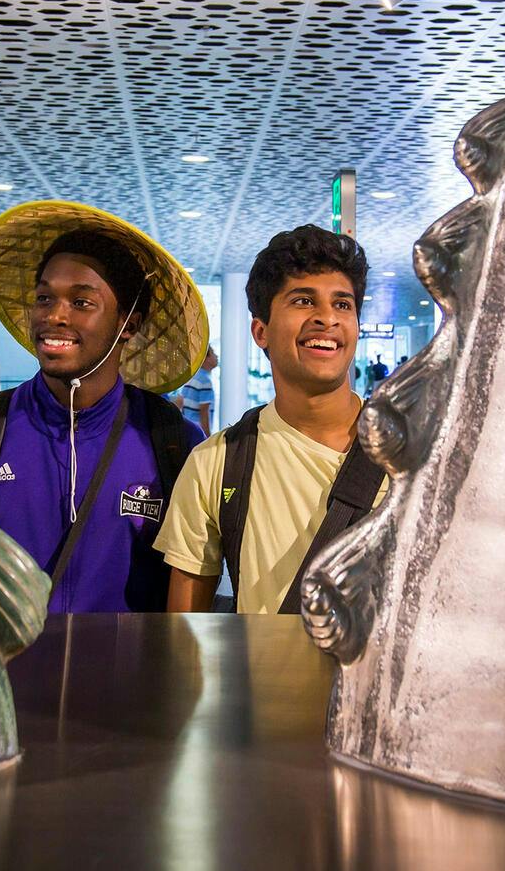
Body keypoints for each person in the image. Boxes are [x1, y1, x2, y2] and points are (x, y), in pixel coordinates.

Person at [0, 202, 208, 613]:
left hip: (127, 676)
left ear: (129, 324)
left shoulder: (172, 442)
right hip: (5, 675)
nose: (54, 315)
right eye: (43, 298)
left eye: (82, 302)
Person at [156, 225, 385, 615]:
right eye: (303, 301)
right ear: (260, 331)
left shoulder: (409, 453)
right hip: (261, 677)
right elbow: (186, 634)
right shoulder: (218, 463)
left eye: (343, 304)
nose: (327, 318)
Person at [180, 346, 217, 432]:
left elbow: (181, 403)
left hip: (188, 429)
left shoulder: (191, 377)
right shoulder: (205, 381)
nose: (216, 356)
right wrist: (208, 439)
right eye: (213, 353)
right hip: (199, 432)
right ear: (205, 359)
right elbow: (204, 412)